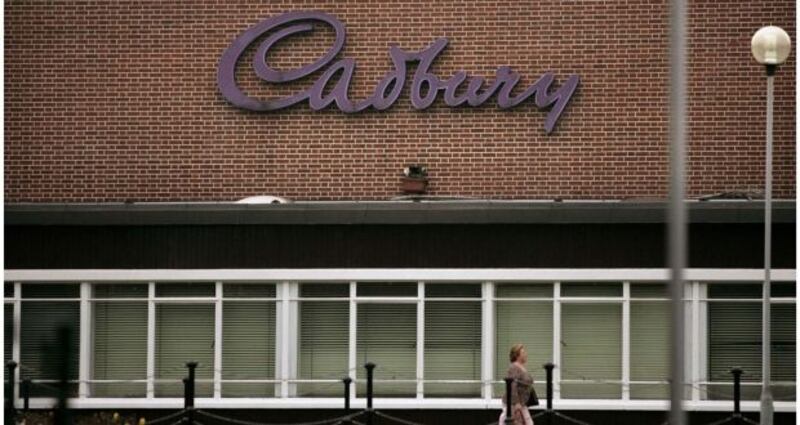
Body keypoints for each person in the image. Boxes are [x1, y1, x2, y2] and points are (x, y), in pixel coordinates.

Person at [499, 343, 535, 425]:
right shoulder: (514, 367)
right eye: (523, 353)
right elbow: (512, 386)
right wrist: (517, 403)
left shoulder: (521, 367)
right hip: (513, 403)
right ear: (517, 355)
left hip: (522, 403)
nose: (526, 354)